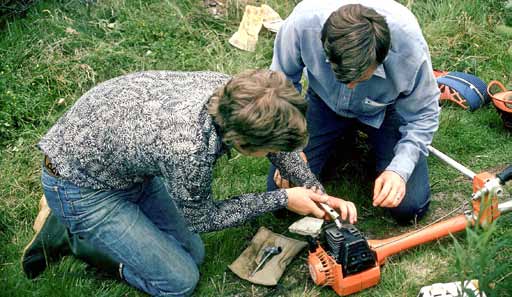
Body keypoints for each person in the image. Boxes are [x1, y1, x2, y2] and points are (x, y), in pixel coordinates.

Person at [22, 69, 357, 296]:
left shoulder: (238, 95)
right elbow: (202, 217)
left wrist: (316, 193)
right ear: (242, 144)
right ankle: (72, 234)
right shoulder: (189, 149)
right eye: (267, 149)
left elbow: (278, 141)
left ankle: (88, 222)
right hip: (81, 186)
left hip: (125, 166)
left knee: (192, 253)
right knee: (179, 281)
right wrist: (283, 199)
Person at [267, 0, 440, 224]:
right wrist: (289, 146)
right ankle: (342, 143)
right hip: (323, 103)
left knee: (409, 208)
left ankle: (357, 147)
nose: (351, 87)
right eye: (343, 77)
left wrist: (399, 170)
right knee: (284, 199)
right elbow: (280, 86)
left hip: (386, 110)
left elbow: (424, 114)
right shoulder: (302, 24)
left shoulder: (408, 45)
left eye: (361, 79)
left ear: (381, 58)